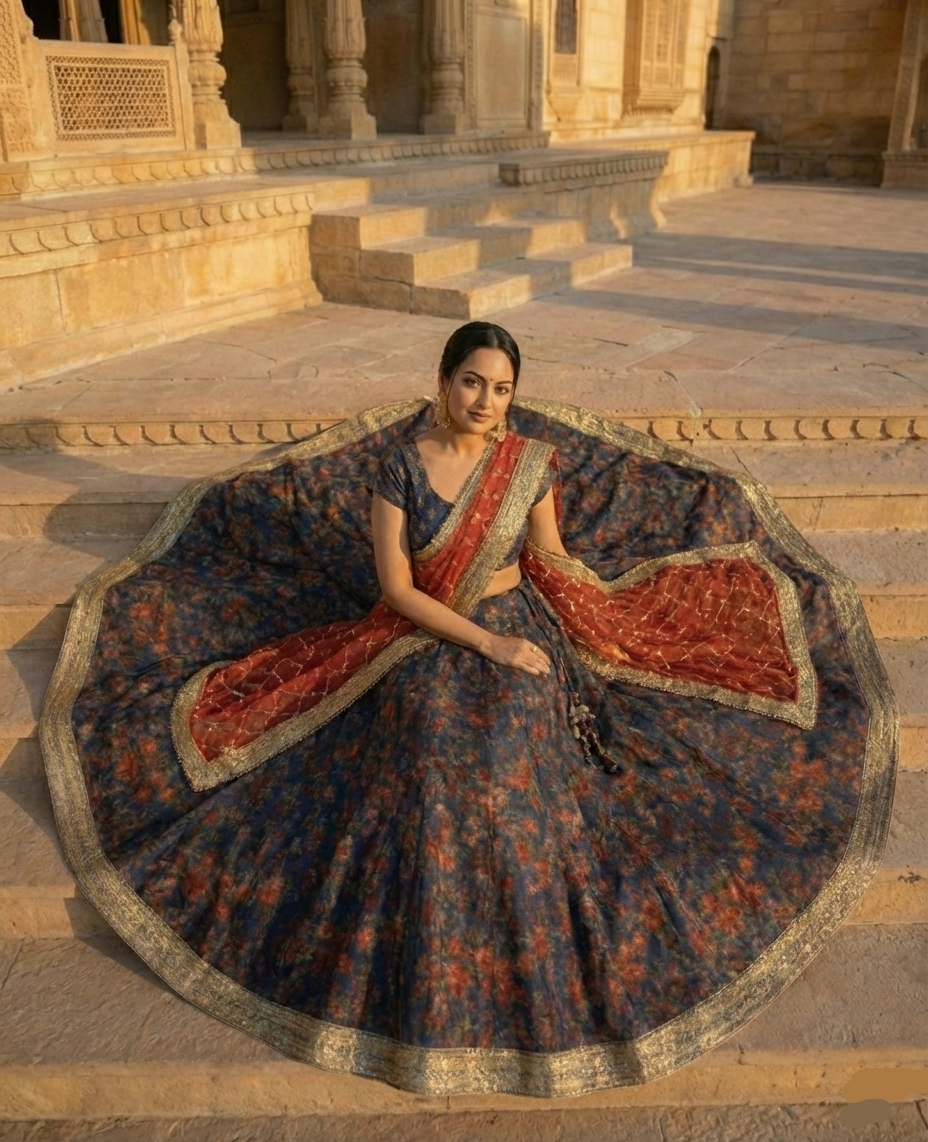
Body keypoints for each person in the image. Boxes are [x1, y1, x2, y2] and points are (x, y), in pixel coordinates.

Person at [42, 322, 895, 1097]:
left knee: (520, 762)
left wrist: (592, 620)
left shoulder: (529, 463)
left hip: (523, 625)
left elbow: (549, 555)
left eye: (502, 389)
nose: (487, 403)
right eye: (472, 384)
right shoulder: (399, 467)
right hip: (427, 637)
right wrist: (487, 645)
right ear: (443, 380)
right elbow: (396, 592)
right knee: (423, 757)